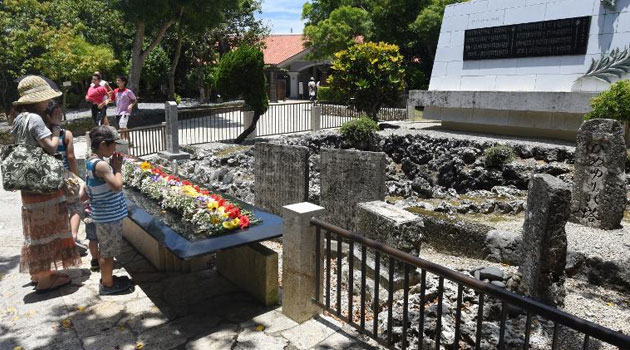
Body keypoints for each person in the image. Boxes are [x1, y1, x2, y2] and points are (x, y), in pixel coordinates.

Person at [9, 75, 81, 293]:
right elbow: (51, 146)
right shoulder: (35, 119)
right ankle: (44, 279)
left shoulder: (19, 119)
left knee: (36, 229)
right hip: (44, 182)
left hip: (29, 183)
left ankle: (41, 272)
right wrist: (57, 126)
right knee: (48, 226)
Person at [86, 126, 131, 295]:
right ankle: (108, 285)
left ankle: (108, 279)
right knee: (108, 252)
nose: (115, 149)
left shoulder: (91, 161)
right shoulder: (102, 165)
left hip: (103, 214)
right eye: (113, 145)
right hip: (108, 217)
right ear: (104, 145)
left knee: (107, 248)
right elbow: (117, 186)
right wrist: (117, 168)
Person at [44, 100, 88, 257]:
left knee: (56, 209)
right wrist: (75, 176)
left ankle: (59, 241)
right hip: (65, 175)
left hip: (48, 177)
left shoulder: (42, 135)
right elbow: (71, 157)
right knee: (76, 204)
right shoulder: (66, 134)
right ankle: (74, 236)